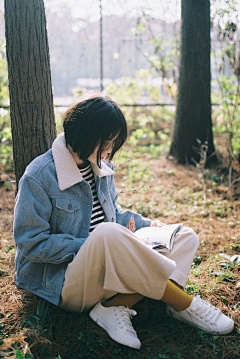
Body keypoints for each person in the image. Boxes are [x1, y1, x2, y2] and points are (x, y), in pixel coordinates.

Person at [13, 92, 234, 350]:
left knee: (184, 237)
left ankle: (114, 306)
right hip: (65, 283)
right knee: (107, 234)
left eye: (114, 141)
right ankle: (183, 303)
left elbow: (113, 214)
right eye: (107, 140)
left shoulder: (100, 166)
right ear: (86, 134)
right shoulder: (39, 177)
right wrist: (90, 247)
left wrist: (149, 226)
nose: (110, 148)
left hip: (110, 267)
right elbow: (31, 244)